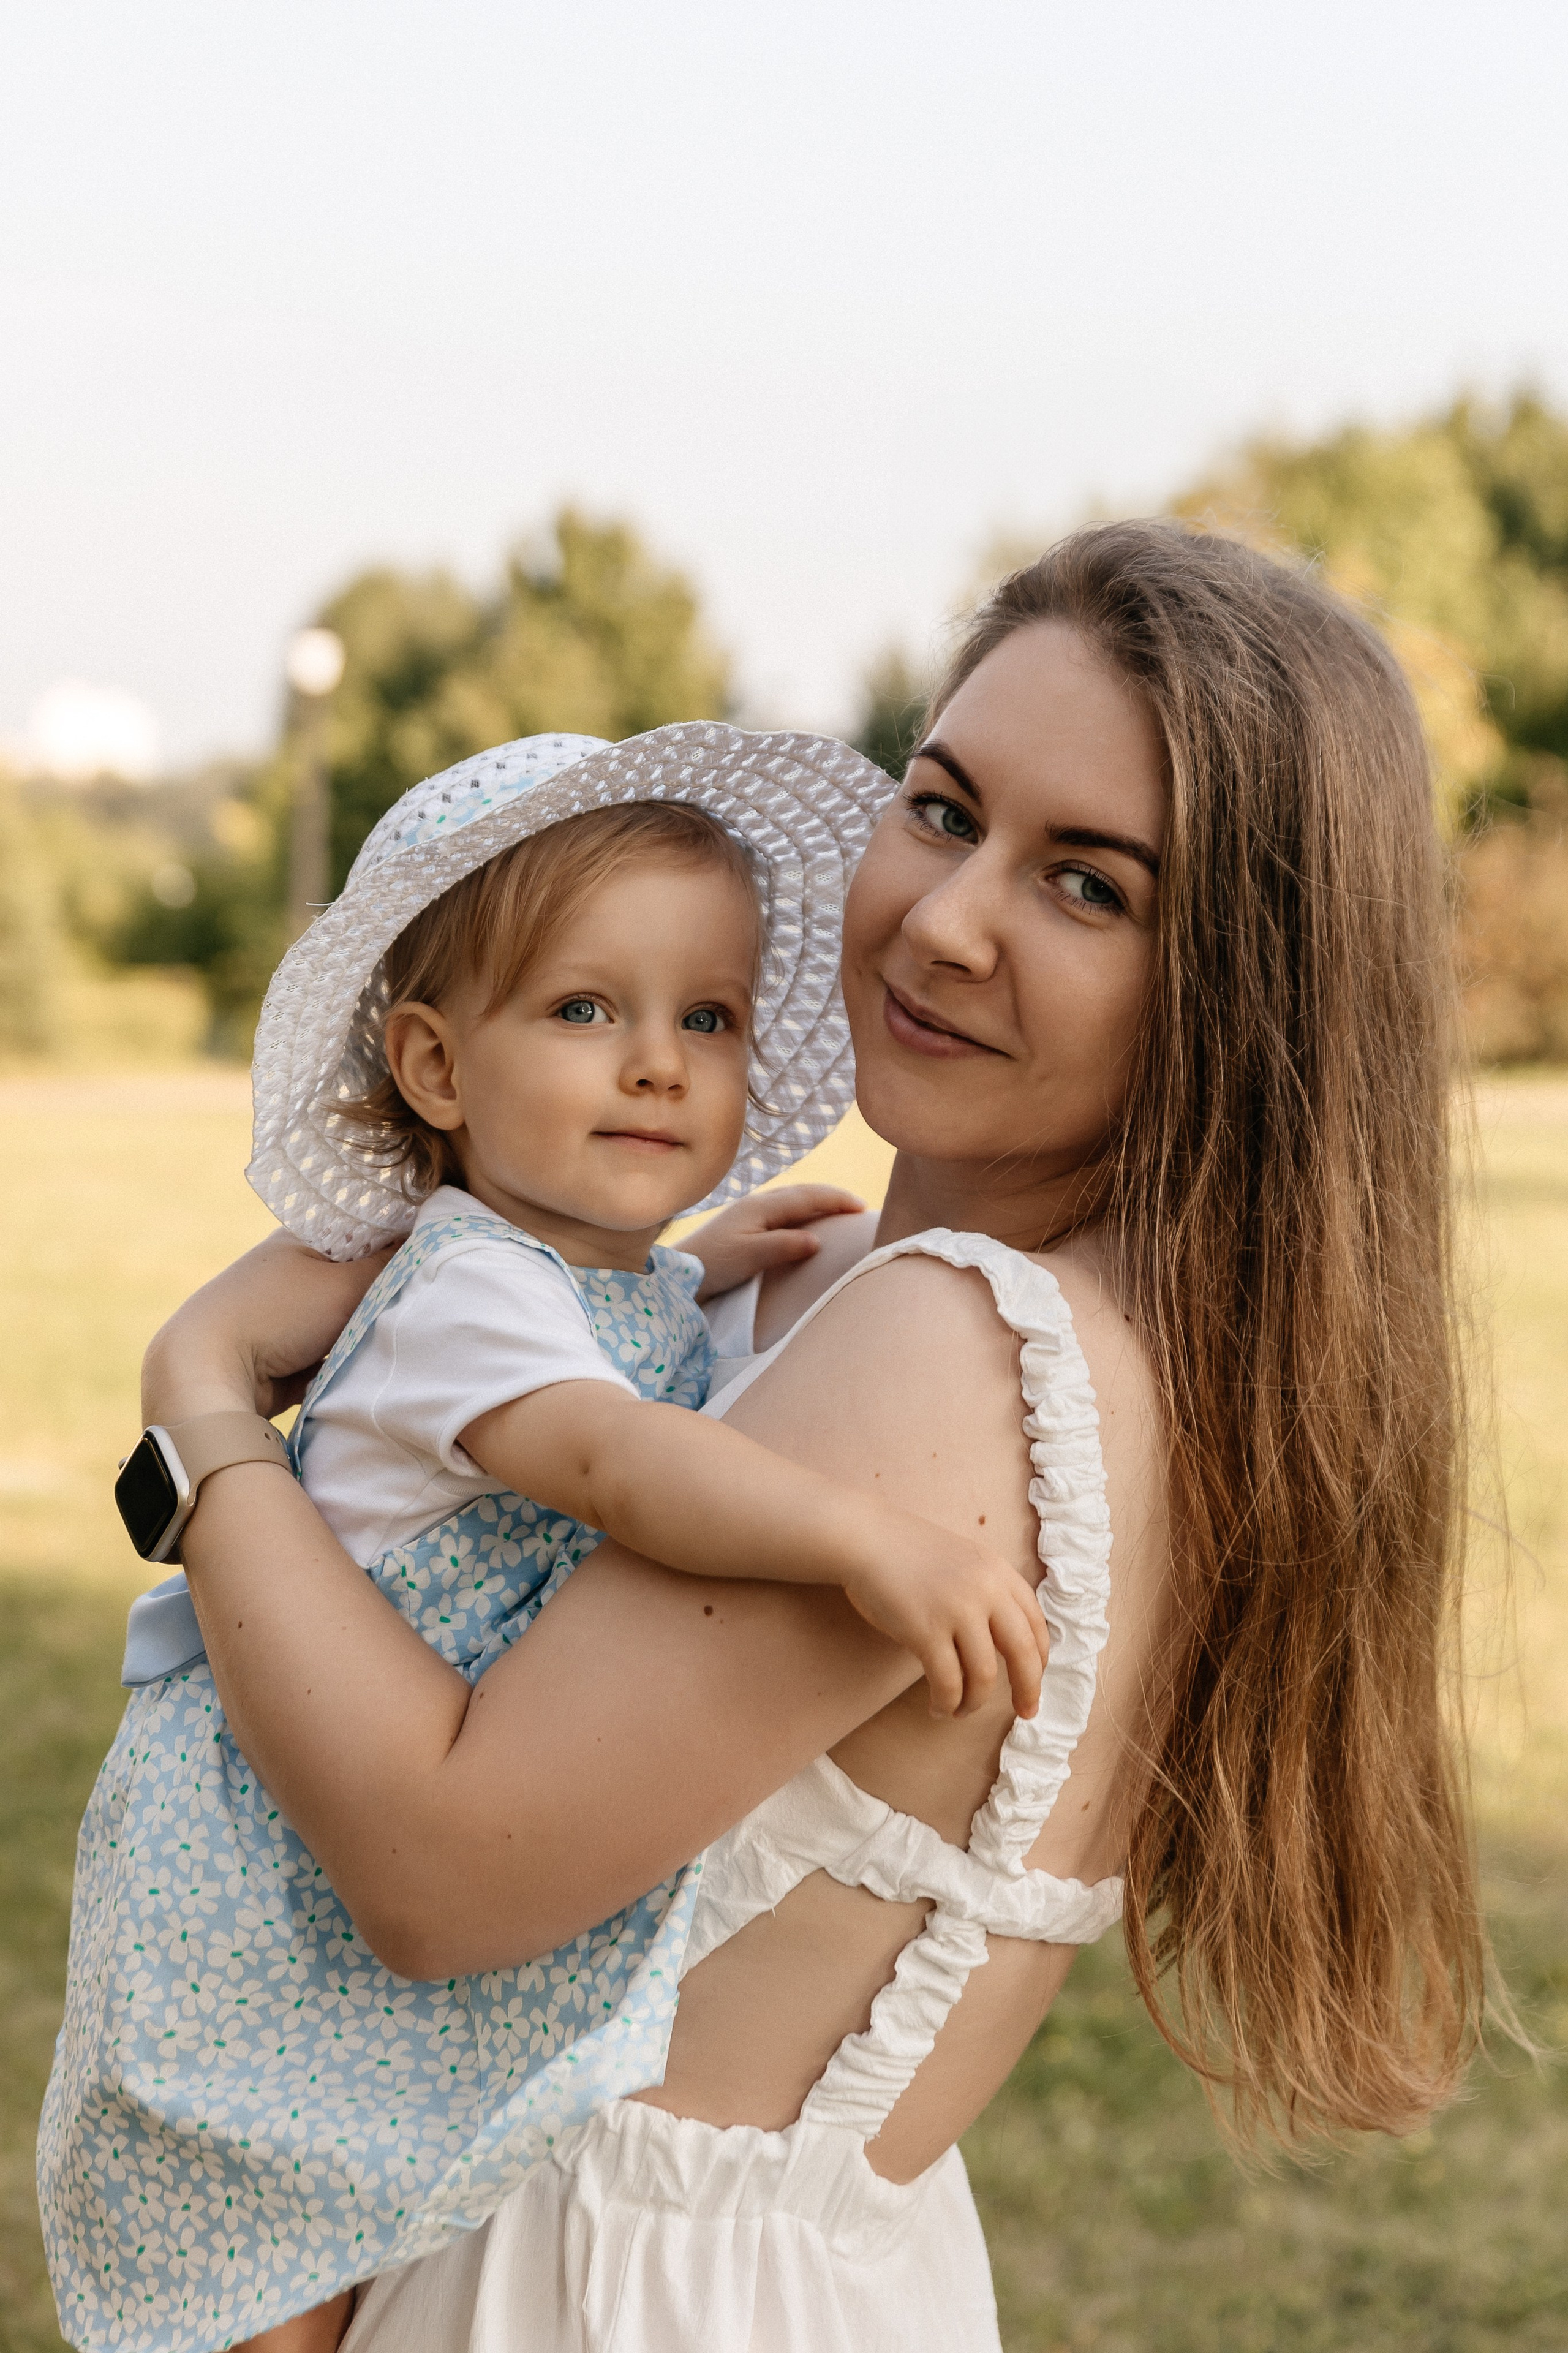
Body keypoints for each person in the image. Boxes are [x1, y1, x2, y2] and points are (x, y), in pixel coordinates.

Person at [62, 523, 1483, 2353]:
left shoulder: (950, 1347)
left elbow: (438, 1872)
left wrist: (197, 1416)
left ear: (1241, 981)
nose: (949, 918)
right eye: (949, 808)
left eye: (1091, 887)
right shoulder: (1040, 1321)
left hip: (597, 2296)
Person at [41, 728, 1052, 2353]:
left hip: (346, 1819)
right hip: (258, 1866)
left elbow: (606, 1332)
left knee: (374, 2209)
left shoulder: (568, 1277)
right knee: (274, 2271)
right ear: (437, 1069)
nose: (659, 1061)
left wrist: (705, 1262)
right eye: (588, 1009)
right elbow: (616, 1454)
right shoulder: (461, 1292)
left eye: (705, 1017)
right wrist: (861, 1534)